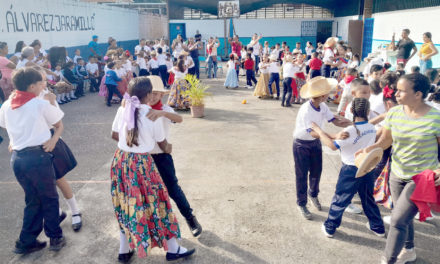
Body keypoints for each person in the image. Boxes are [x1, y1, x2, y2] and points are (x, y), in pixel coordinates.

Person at [110, 77, 196, 262]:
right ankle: (173, 248)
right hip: (142, 164)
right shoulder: (151, 115)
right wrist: (167, 148)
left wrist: (130, 144)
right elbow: (162, 143)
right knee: (159, 202)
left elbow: (115, 134)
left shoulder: (124, 109)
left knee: (126, 203)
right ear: (148, 95)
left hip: (121, 161)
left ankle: (124, 249)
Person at [357, 73, 440, 264]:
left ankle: (389, 259)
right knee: (403, 217)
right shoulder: (395, 113)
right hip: (396, 173)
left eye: (401, 91)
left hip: (421, 178)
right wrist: (369, 149)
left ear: (418, 94)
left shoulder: (436, 118)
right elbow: (386, 140)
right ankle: (409, 250)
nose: (396, 94)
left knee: (396, 220)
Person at [0, 67, 66, 254]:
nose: (43, 85)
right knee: (50, 198)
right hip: (37, 157)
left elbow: (5, 125)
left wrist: (15, 140)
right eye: (40, 83)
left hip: (18, 159)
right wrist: (53, 140)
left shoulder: (7, 104)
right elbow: (59, 124)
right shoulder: (38, 104)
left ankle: (25, 241)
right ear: (31, 86)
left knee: (33, 199)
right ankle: (55, 237)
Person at [315, 98, 385, 238]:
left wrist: (319, 131)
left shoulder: (350, 130)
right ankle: (377, 227)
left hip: (350, 169)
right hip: (367, 167)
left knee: (341, 199)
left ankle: (330, 227)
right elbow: (366, 128)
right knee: (368, 198)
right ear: (368, 111)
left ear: (351, 110)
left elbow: (333, 146)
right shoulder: (371, 128)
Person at [147, 76, 203, 237]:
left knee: (173, 189)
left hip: (162, 156)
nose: (152, 97)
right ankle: (155, 227)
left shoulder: (165, 109)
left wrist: (162, 113)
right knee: (149, 193)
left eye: (156, 94)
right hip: (144, 159)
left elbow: (180, 119)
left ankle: (190, 218)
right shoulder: (141, 109)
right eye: (149, 93)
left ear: (162, 95)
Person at [293, 76, 351, 220]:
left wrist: (350, 124)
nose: (329, 94)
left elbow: (334, 120)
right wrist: (334, 136)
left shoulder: (323, 106)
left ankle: (313, 195)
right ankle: (301, 203)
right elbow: (312, 132)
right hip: (301, 144)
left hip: (315, 143)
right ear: (322, 95)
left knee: (316, 172)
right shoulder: (306, 110)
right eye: (327, 92)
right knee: (301, 175)